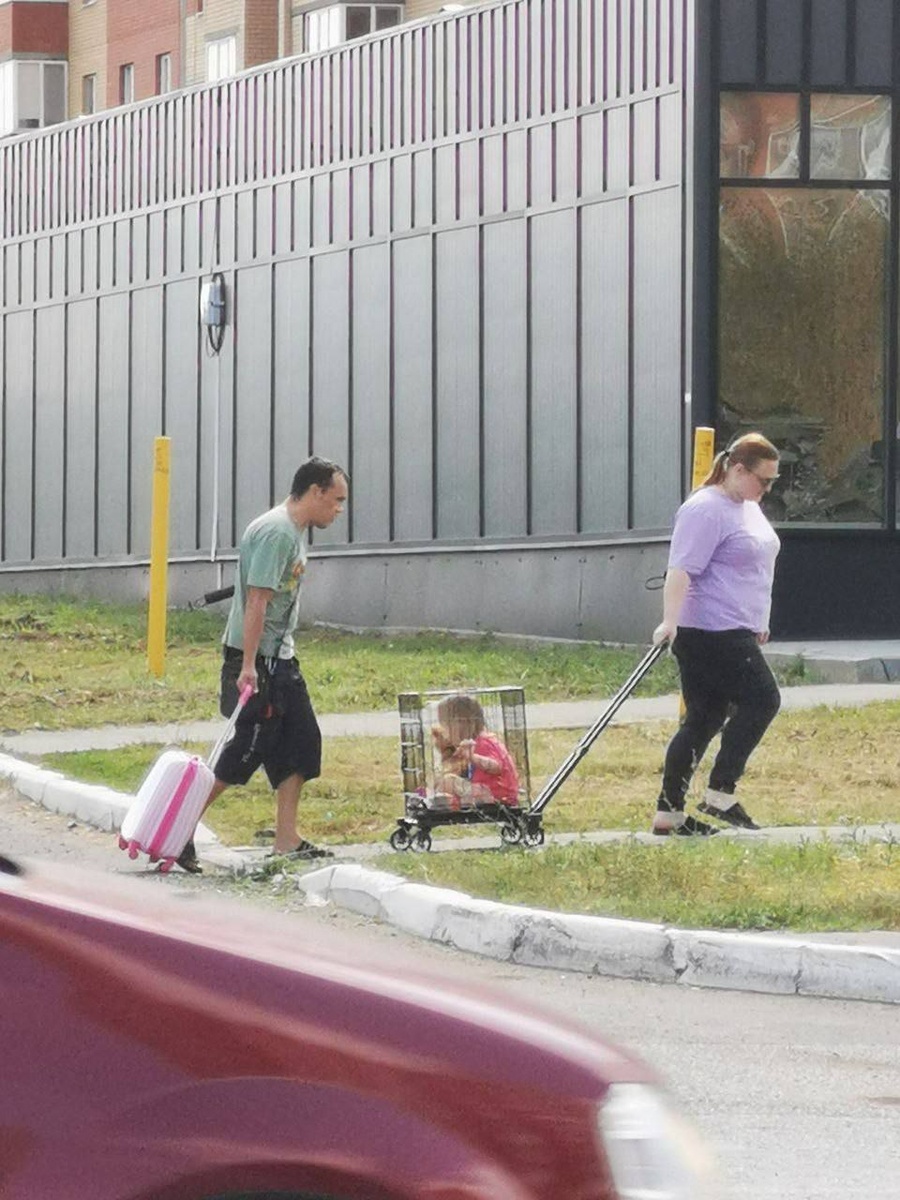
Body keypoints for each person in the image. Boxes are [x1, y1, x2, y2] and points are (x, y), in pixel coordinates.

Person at [177, 456, 349, 873]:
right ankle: (179, 830)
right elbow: (257, 600)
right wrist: (248, 665)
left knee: (302, 743)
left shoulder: (293, 530)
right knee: (246, 751)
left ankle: (286, 840)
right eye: (337, 499)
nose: (339, 509)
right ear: (315, 492)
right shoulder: (276, 532)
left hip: (280, 656)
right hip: (258, 660)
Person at [650, 432, 782, 837]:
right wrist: (669, 622)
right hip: (708, 629)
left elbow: (756, 567)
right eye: (764, 480)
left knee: (704, 719)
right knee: (763, 700)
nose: (768, 488)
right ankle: (720, 793)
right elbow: (681, 569)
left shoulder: (747, 506)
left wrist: (759, 619)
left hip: (736, 627)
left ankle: (669, 814)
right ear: (737, 469)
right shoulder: (705, 509)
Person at [427, 694, 520, 808]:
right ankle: (440, 800)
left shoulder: (484, 742)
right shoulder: (476, 741)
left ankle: (438, 803)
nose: (445, 730)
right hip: (486, 790)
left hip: (496, 795)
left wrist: (472, 757)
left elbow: (496, 766)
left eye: (446, 724)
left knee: (448, 781)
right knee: (446, 780)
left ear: (463, 723)